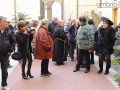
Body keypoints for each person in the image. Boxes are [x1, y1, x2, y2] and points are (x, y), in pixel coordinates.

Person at [0, 16, 15, 90]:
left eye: (6, 22)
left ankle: (4, 85)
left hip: (5, 55)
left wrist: (10, 50)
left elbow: (13, 42)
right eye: (4, 22)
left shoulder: (9, 31)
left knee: (5, 71)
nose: (7, 23)